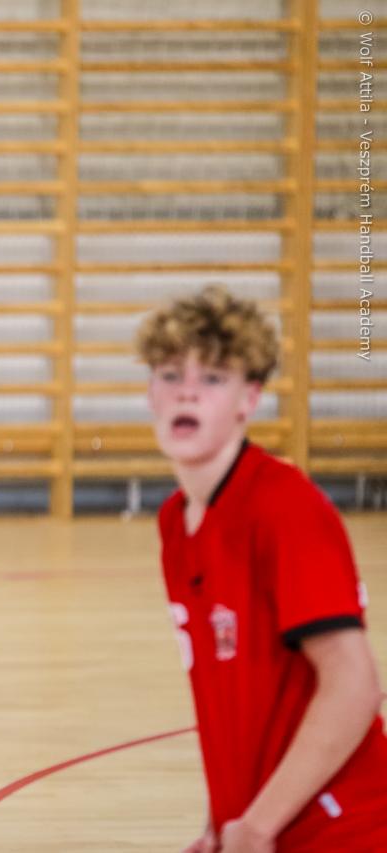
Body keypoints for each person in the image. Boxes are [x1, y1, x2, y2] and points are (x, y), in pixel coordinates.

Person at [138, 286, 387, 853]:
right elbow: (233, 700)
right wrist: (222, 821)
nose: (187, 393)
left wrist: (257, 825)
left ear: (248, 399)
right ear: (150, 392)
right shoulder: (177, 521)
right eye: (171, 375)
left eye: (213, 379)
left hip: (347, 829)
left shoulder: (283, 506)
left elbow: (354, 686)